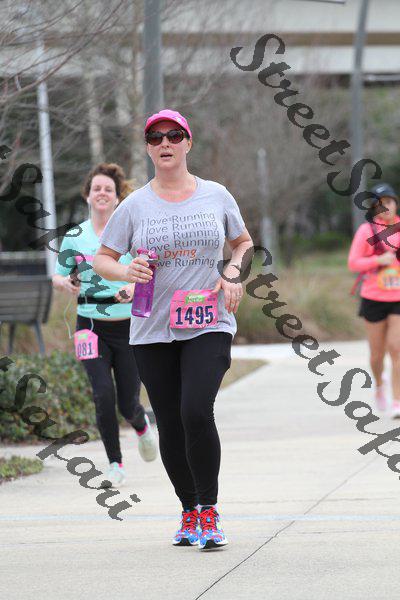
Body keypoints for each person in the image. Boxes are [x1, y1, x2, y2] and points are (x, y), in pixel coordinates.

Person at [93, 109, 253, 550]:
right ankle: (188, 509)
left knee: (196, 410)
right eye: (155, 137)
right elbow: (103, 258)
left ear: (188, 143)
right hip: (152, 328)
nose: (165, 143)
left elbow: (242, 243)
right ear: (148, 149)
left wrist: (233, 273)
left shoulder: (216, 195)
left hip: (209, 321)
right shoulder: (134, 205)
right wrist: (125, 271)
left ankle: (209, 510)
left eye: (174, 135)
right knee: (169, 421)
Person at [52, 162, 158, 487]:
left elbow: (149, 272)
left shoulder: (130, 234)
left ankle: (141, 425)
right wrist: (64, 283)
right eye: (96, 188)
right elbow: (58, 273)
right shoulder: (75, 237)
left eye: (108, 189)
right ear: (87, 195)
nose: (101, 193)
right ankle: (115, 464)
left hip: (127, 327)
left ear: (117, 197)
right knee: (102, 394)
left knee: (128, 403)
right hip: (89, 324)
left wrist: (134, 288)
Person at [348, 182, 400, 418]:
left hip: (397, 297)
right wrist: (377, 261)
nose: (385, 207)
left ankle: (397, 400)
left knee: (396, 348)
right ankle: (379, 384)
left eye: (388, 202)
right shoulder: (367, 231)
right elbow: (353, 263)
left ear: (395, 204)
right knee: (377, 354)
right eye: (380, 204)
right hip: (373, 298)